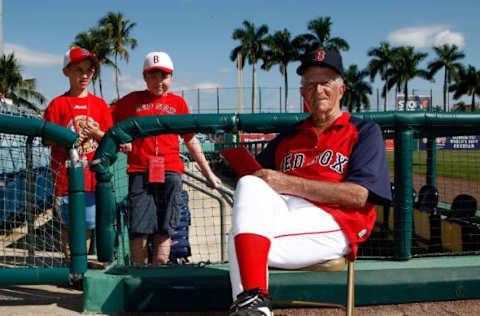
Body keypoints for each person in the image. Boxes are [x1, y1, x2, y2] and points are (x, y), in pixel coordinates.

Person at [228, 49, 392, 316]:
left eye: (325, 82)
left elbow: (359, 196)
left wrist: (289, 183)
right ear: (303, 93)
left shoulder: (364, 131)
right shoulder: (290, 136)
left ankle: (251, 305)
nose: (318, 90)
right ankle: (254, 304)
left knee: (238, 239)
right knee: (249, 185)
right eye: (310, 84)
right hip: (286, 216)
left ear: (341, 89)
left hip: (336, 221)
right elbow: (257, 180)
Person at [111, 51, 222, 265]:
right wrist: (119, 140)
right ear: (144, 77)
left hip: (170, 172)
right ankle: (139, 278)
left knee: (164, 230)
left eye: (163, 76)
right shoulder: (131, 101)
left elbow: (191, 140)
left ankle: (156, 282)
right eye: (152, 76)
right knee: (139, 233)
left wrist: (209, 174)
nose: (158, 81)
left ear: (171, 78)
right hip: (140, 172)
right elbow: (108, 123)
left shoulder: (178, 103)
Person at [43, 47, 113, 265]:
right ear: (67, 72)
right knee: (69, 223)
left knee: (89, 223)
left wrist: (95, 133)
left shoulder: (100, 105)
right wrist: (70, 137)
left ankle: (80, 264)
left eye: (89, 71)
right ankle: (72, 266)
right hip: (65, 178)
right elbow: (46, 139)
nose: (84, 75)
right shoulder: (57, 104)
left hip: (91, 178)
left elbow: (110, 139)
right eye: (79, 70)